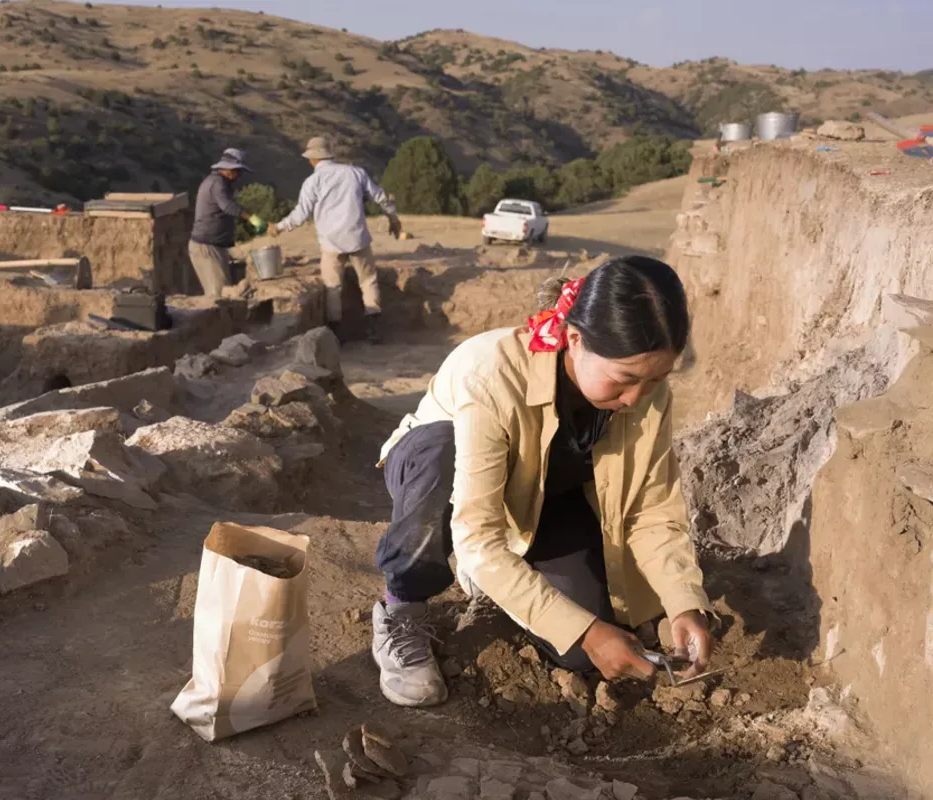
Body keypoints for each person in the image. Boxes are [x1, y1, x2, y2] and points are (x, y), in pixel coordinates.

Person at [369, 256, 715, 708]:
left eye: (654, 380)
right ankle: (401, 607)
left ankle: (496, 575)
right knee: (441, 455)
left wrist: (683, 601)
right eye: (624, 380)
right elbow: (476, 534)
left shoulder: (648, 392)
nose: (635, 398)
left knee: (577, 650)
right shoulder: (492, 374)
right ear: (575, 339)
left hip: (543, 491)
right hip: (435, 469)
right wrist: (588, 632)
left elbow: (652, 510)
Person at [270, 137, 402, 343]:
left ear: (313, 160)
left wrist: (279, 227)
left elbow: (300, 213)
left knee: (333, 287)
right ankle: (373, 326)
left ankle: (334, 332)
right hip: (357, 237)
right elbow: (380, 197)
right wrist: (393, 218)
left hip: (331, 242)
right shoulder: (354, 172)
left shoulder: (313, 182)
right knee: (368, 281)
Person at [189, 148, 265, 297]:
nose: (239, 175)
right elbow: (228, 206)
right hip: (207, 247)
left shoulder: (218, 182)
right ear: (229, 168)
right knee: (219, 294)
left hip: (215, 246)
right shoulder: (217, 183)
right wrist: (251, 218)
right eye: (238, 171)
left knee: (223, 290)